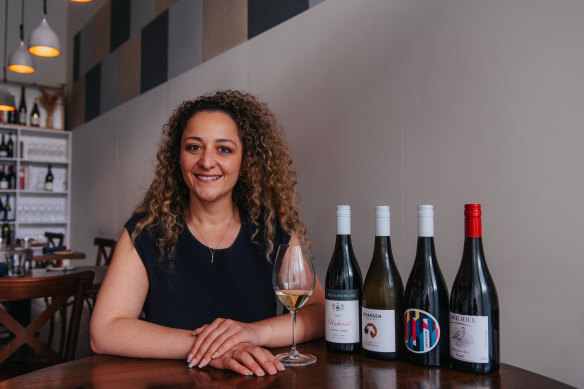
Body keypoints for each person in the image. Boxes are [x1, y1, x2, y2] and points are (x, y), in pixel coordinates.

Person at [90, 90, 325, 377]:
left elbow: (321, 312)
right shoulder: (145, 231)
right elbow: (104, 331)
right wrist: (212, 349)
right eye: (194, 147)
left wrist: (254, 333)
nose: (206, 161)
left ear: (246, 162)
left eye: (224, 149)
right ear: (178, 157)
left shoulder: (274, 232)